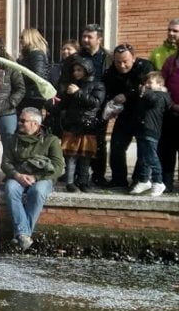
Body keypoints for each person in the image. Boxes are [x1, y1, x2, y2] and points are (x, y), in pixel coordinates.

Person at [1, 107, 64, 251]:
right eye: (19, 120)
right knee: (10, 189)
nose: (19, 123)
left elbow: (58, 166)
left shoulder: (51, 140)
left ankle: (22, 234)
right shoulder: (12, 140)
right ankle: (24, 235)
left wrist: (36, 177)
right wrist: (17, 175)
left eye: (23, 121)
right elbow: (5, 163)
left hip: (43, 177)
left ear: (35, 124)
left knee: (37, 192)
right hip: (19, 176)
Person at [103, 44, 152, 189]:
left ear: (134, 58)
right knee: (117, 146)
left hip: (143, 113)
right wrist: (110, 107)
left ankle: (138, 179)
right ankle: (118, 179)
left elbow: (148, 87)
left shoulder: (145, 67)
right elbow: (108, 92)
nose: (122, 65)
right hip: (124, 114)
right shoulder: (110, 72)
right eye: (118, 62)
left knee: (142, 149)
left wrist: (127, 95)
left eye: (125, 61)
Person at [57, 57, 104, 192]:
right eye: (74, 70)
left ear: (87, 70)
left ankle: (84, 181)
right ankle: (70, 182)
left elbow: (95, 102)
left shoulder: (98, 85)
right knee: (70, 156)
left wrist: (78, 92)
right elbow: (64, 104)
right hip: (72, 123)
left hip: (88, 124)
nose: (76, 73)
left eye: (79, 70)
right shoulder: (72, 85)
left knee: (85, 156)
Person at [73, 24, 111, 184]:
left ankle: (98, 174)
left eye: (89, 37)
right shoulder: (77, 57)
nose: (85, 40)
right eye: (84, 37)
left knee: (99, 140)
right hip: (78, 103)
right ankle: (75, 174)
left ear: (99, 39)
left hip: (99, 104)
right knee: (76, 139)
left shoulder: (107, 58)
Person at [130, 72, 172, 196]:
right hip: (142, 129)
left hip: (151, 130)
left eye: (150, 83)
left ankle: (158, 181)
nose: (146, 85)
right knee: (142, 157)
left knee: (151, 157)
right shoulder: (146, 95)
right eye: (145, 83)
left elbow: (154, 100)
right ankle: (144, 180)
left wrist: (144, 92)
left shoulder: (161, 95)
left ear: (159, 84)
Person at [0, 37, 25, 151]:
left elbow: (20, 89)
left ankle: (9, 167)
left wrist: (10, 103)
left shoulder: (10, 65)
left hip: (6, 111)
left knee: (9, 142)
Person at [18, 28, 50, 112]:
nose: (20, 40)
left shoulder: (36, 54)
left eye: (22, 38)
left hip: (33, 95)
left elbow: (38, 74)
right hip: (31, 94)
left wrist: (19, 76)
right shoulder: (29, 55)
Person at [161, 52, 179, 192]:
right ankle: (167, 182)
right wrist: (171, 104)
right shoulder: (171, 62)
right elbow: (162, 86)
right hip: (170, 113)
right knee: (167, 150)